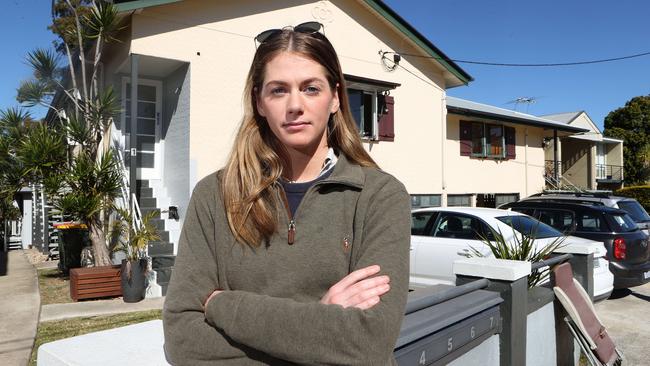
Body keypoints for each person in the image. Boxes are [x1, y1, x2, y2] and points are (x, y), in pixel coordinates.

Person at [163, 21, 411, 365]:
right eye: (278, 90)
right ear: (259, 102)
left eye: (311, 88)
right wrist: (320, 325)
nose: (295, 105)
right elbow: (183, 341)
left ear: (335, 98)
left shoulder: (379, 196)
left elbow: (368, 342)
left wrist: (222, 305)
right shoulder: (215, 195)